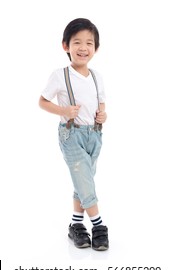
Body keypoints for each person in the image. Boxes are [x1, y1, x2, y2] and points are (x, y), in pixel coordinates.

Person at [39, 18, 109, 251]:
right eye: (77, 42)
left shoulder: (98, 76)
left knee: (83, 181)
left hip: (95, 135)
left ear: (95, 48)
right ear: (65, 46)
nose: (83, 48)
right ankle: (98, 226)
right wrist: (63, 111)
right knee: (85, 181)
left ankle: (75, 226)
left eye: (89, 43)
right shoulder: (60, 75)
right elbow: (42, 101)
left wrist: (103, 116)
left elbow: (101, 106)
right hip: (71, 135)